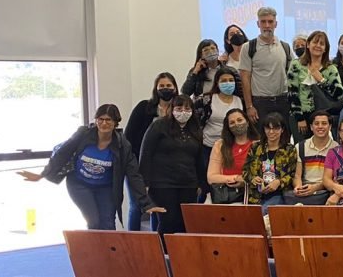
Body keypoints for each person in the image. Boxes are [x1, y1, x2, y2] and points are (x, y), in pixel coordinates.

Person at [17, 104, 164, 230]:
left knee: (107, 223)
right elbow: (62, 153)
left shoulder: (123, 146)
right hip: (79, 185)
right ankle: (94, 256)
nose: (104, 123)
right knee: (93, 221)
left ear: (115, 123)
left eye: (108, 120)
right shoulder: (83, 135)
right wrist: (41, 175)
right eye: (100, 119)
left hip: (106, 188)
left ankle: (110, 257)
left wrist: (146, 204)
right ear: (96, 120)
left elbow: (134, 175)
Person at [138, 95, 204, 236]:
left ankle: (180, 255)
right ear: (172, 109)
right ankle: (164, 255)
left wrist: (200, 183)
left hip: (188, 184)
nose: (183, 112)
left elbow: (199, 158)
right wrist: (145, 182)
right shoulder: (159, 125)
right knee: (168, 221)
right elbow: (146, 153)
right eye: (179, 108)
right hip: (162, 184)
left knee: (184, 223)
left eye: (187, 108)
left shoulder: (195, 129)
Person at [123, 72, 177, 231]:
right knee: (137, 206)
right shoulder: (144, 108)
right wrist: (133, 164)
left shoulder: (178, 110)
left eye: (169, 86)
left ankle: (155, 246)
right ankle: (132, 245)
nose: (165, 89)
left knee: (156, 208)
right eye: (162, 86)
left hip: (162, 170)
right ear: (156, 89)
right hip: (137, 166)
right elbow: (128, 137)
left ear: (175, 88)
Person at [195, 66, 244, 201]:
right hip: (208, 146)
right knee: (207, 184)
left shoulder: (239, 100)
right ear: (217, 82)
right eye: (224, 81)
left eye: (230, 80)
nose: (228, 83)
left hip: (229, 147)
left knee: (225, 184)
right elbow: (196, 120)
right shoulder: (207, 99)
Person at [288, 30, 343, 141]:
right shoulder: (296, 64)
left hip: (321, 118)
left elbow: (339, 94)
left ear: (325, 49)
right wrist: (299, 118)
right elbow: (292, 93)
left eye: (322, 44)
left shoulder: (331, 68)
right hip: (300, 117)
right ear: (308, 45)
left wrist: (321, 80)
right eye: (315, 42)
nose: (318, 46)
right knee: (302, 150)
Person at [241, 6, 294, 124]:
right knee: (262, 140)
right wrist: (249, 106)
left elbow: (293, 74)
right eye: (263, 22)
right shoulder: (248, 47)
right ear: (258, 24)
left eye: (270, 21)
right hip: (260, 103)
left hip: (283, 101)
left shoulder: (285, 47)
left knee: (283, 139)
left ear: (276, 24)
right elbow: (245, 78)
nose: (267, 25)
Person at [243, 112, 297, 213]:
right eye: (268, 128)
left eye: (276, 128)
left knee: (263, 213)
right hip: (256, 195)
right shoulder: (255, 147)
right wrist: (253, 179)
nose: (271, 132)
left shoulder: (289, 149)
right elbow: (245, 171)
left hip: (279, 194)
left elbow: (292, 174)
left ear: (282, 130)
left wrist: (279, 182)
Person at [206, 107, 258, 204]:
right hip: (224, 195)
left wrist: (244, 181)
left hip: (251, 195)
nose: (237, 124)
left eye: (239, 120)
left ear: (247, 121)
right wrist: (236, 178)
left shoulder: (258, 145)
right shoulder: (220, 145)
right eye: (232, 122)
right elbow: (211, 177)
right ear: (228, 127)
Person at [288, 110, 338, 205]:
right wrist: (299, 188)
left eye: (324, 123)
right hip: (304, 189)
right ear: (311, 127)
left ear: (330, 127)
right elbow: (297, 175)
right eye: (316, 123)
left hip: (325, 191)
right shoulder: (300, 147)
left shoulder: (337, 148)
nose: (320, 127)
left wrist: (315, 188)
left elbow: (334, 179)